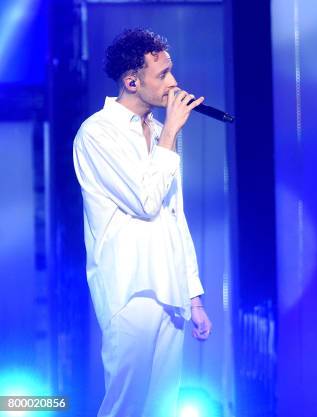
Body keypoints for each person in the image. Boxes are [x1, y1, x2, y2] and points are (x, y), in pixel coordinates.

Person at [73, 28, 212, 417]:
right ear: (131, 82)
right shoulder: (98, 133)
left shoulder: (156, 133)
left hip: (170, 292)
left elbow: (173, 217)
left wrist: (194, 297)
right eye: (163, 75)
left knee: (162, 407)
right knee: (126, 405)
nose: (174, 83)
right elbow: (146, 202)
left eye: (172, 72)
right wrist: (170, 133)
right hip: (130, 290)